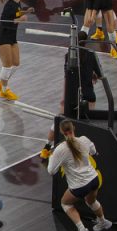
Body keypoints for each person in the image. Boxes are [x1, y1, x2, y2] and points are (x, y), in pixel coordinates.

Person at [40, 30, 102, 160]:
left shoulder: (68, 56)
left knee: (60, 121)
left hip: (71, 96)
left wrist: (64, 97)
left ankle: (46, 148)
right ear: (86, 43)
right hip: (88, 95)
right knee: (86, 123)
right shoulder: (91, 55)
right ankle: (82, 152)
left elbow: (66, 78)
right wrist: (92, 74)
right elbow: (100, 75)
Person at [47, 121, 110, 231]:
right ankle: (103, 222)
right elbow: (93, 151)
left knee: (66, 204)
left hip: (79, 186)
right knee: (91, 201)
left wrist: (51, 156)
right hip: (94, 179)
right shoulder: (84, 140)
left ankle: (82, 230)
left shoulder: (60, 149)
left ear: (61, 132)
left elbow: (51, 171)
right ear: (73, 128)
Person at [0, 0, 27, 101]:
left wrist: (25, 12)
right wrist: (20, 19)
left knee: (16, 63)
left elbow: (16, 14)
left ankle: (1, 83)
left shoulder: (17, 3)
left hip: (12, 37)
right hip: (4, 38)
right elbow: (5, 22)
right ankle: (4, 90)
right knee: (7, 66)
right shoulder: (9, 5)